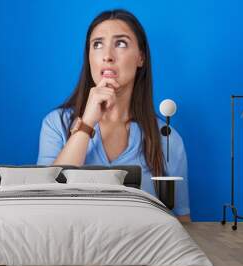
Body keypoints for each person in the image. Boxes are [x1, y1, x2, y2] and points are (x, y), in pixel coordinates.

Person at [37, 9, 190, 222]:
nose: (107, 56)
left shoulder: (167, 139)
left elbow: (182, 222)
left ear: (141, 58)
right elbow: (44, 199)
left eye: (120, 43)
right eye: (97, 44)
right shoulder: (56, 124)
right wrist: (87, 123)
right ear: (89, 57)